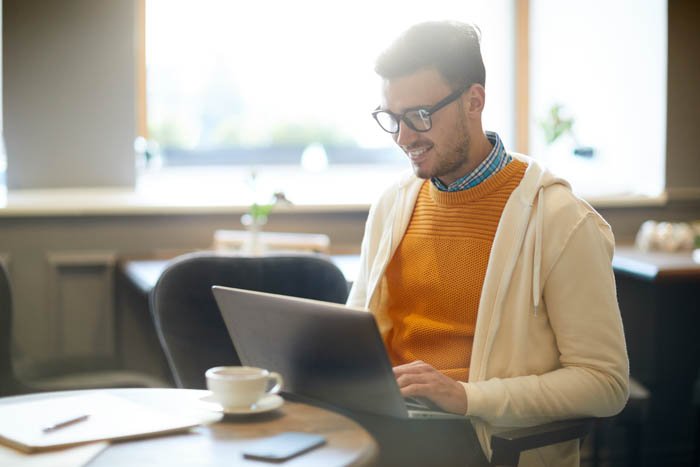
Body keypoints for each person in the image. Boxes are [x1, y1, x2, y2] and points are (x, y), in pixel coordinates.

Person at [347, 20, 629, 466]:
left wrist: (467, 396)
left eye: (419, 116)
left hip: (479, 442)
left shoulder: (560, 219)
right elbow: (354, 332)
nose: (403, 138)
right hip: (380, 426)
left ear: (474, 101)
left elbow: (605, 383)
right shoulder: (392, 204)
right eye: (392, 119)